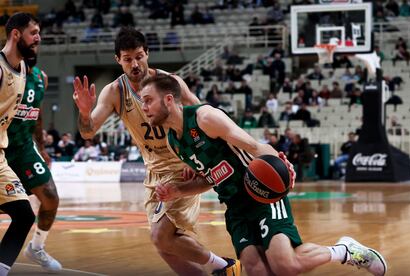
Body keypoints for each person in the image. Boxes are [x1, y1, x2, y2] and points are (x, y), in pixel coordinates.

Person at [141, 74, 387, 276]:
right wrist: (179, 191)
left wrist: (281, 162)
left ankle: (345, 250)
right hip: (235, 207)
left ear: (169, 100)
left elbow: (254, 146)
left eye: (148, 101)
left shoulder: (205, 118)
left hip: (260, 192)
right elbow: (211, 177)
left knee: (285, 265)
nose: (144, 108)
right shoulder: (174, 142)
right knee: (258, 270)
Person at [72, 27, 240, 275]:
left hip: (182, 167)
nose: (135, 64)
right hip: (153, 172)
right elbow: (88, 132)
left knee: (161, 236)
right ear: (118, 60)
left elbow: (202, 114)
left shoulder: (170, 83)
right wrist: (85, 113)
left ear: (147, 53)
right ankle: (219, 269)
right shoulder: (114, 91)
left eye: (139, 56)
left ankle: (224, 266)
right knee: (165, 247)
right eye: (128, 59)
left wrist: (193, 158)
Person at [5, 54, 61, 271]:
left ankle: (36, 247)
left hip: (25, 148)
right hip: (2, 146)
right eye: (31, 35)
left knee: (51, 197)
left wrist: (42, 147)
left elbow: (37, 115)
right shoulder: (4, 72)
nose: (36, 41)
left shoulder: (41, 78)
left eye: (38, 37)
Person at [0, 12, 40, 275]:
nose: (38, 38)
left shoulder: (25, 68)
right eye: (33, 33)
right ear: (16, 34)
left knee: (24, 215)